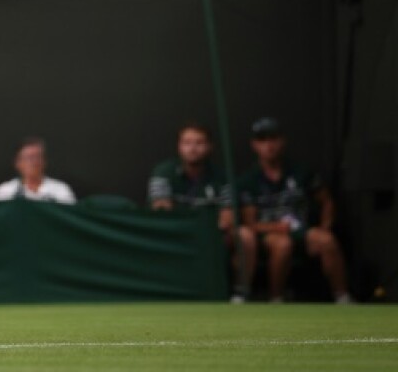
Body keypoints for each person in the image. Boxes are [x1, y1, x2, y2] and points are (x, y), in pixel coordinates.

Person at [237, 117, 352, 303]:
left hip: (300, 229)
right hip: (268, 234)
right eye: (262, 140)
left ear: (282, 141)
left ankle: (343, 297)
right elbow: (250, 224)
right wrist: (274, 227)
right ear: (254, 145)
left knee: (326, 240)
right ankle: (276, 299)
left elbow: (326, 200)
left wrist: (325, 226)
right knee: (283, 245)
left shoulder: (301, 171)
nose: (269, 145)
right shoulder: (247, 180)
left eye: (273, 139)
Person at [148, 122, 256, 303]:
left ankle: (240, 294)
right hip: (175, 236)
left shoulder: (222, 176)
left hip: (213, 235)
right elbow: (161, 212)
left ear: (209, 146)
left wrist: (210, 228)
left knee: (245, 236)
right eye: (187, 142)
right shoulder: (163, 172)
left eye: (199, 143)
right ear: (179, 146)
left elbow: (227, 217)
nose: (193, 148)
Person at [0, 138, 75, 203]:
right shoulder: (5, 191)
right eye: (30, 158)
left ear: (44, 162)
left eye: (38, 157)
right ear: (18, 163)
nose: (35, 162)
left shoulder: (61, 190)